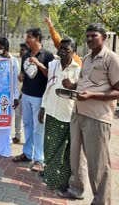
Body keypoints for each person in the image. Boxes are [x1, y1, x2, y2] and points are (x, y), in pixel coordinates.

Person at [57, 23, 119, 205]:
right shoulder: (86, 58)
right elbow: (86, 84)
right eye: (88, 35)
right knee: (75, 157)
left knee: (98, 163)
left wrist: (92, 95)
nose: (90, 39)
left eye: (94, 35)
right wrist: (73, 87)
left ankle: (101, 201)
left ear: (103, 38)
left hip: (97, 117)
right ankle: (76, 190)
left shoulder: (111, 59)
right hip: (78, 112)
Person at [38, 37, 81, 191]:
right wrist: (43, 108)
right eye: (60, 48)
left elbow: (82, 92)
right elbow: (48, 88)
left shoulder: (78, 69)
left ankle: (60, 181)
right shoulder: (53, 65)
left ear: (74, 52)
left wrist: (74, 85)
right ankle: (48, 174)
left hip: (67, 114)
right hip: (51, 110)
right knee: (49, 147)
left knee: (63, 151)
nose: (61, 51)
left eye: (66, 49)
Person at [12, 28, 54, 172]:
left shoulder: (48, 55)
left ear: (37, 38)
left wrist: (39, 64)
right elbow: (23, 75)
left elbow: (51, 76)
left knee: (38, 128)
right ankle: (27, 153)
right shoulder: (26, 55)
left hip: (39, 97)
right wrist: (20, 78)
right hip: (27, 95)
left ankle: (39, 159)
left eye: (29, 37)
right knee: (27, 125)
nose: (26, 40)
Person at [12, 43, 28, 144]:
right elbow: (20, 79)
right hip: (20, 94)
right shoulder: (20, 62)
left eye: (23, 50)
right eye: (20, 49)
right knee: (17, 116)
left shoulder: (29, 62)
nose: (20, 51)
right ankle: (17, 136)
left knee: (26, 119)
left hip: (26, 94)